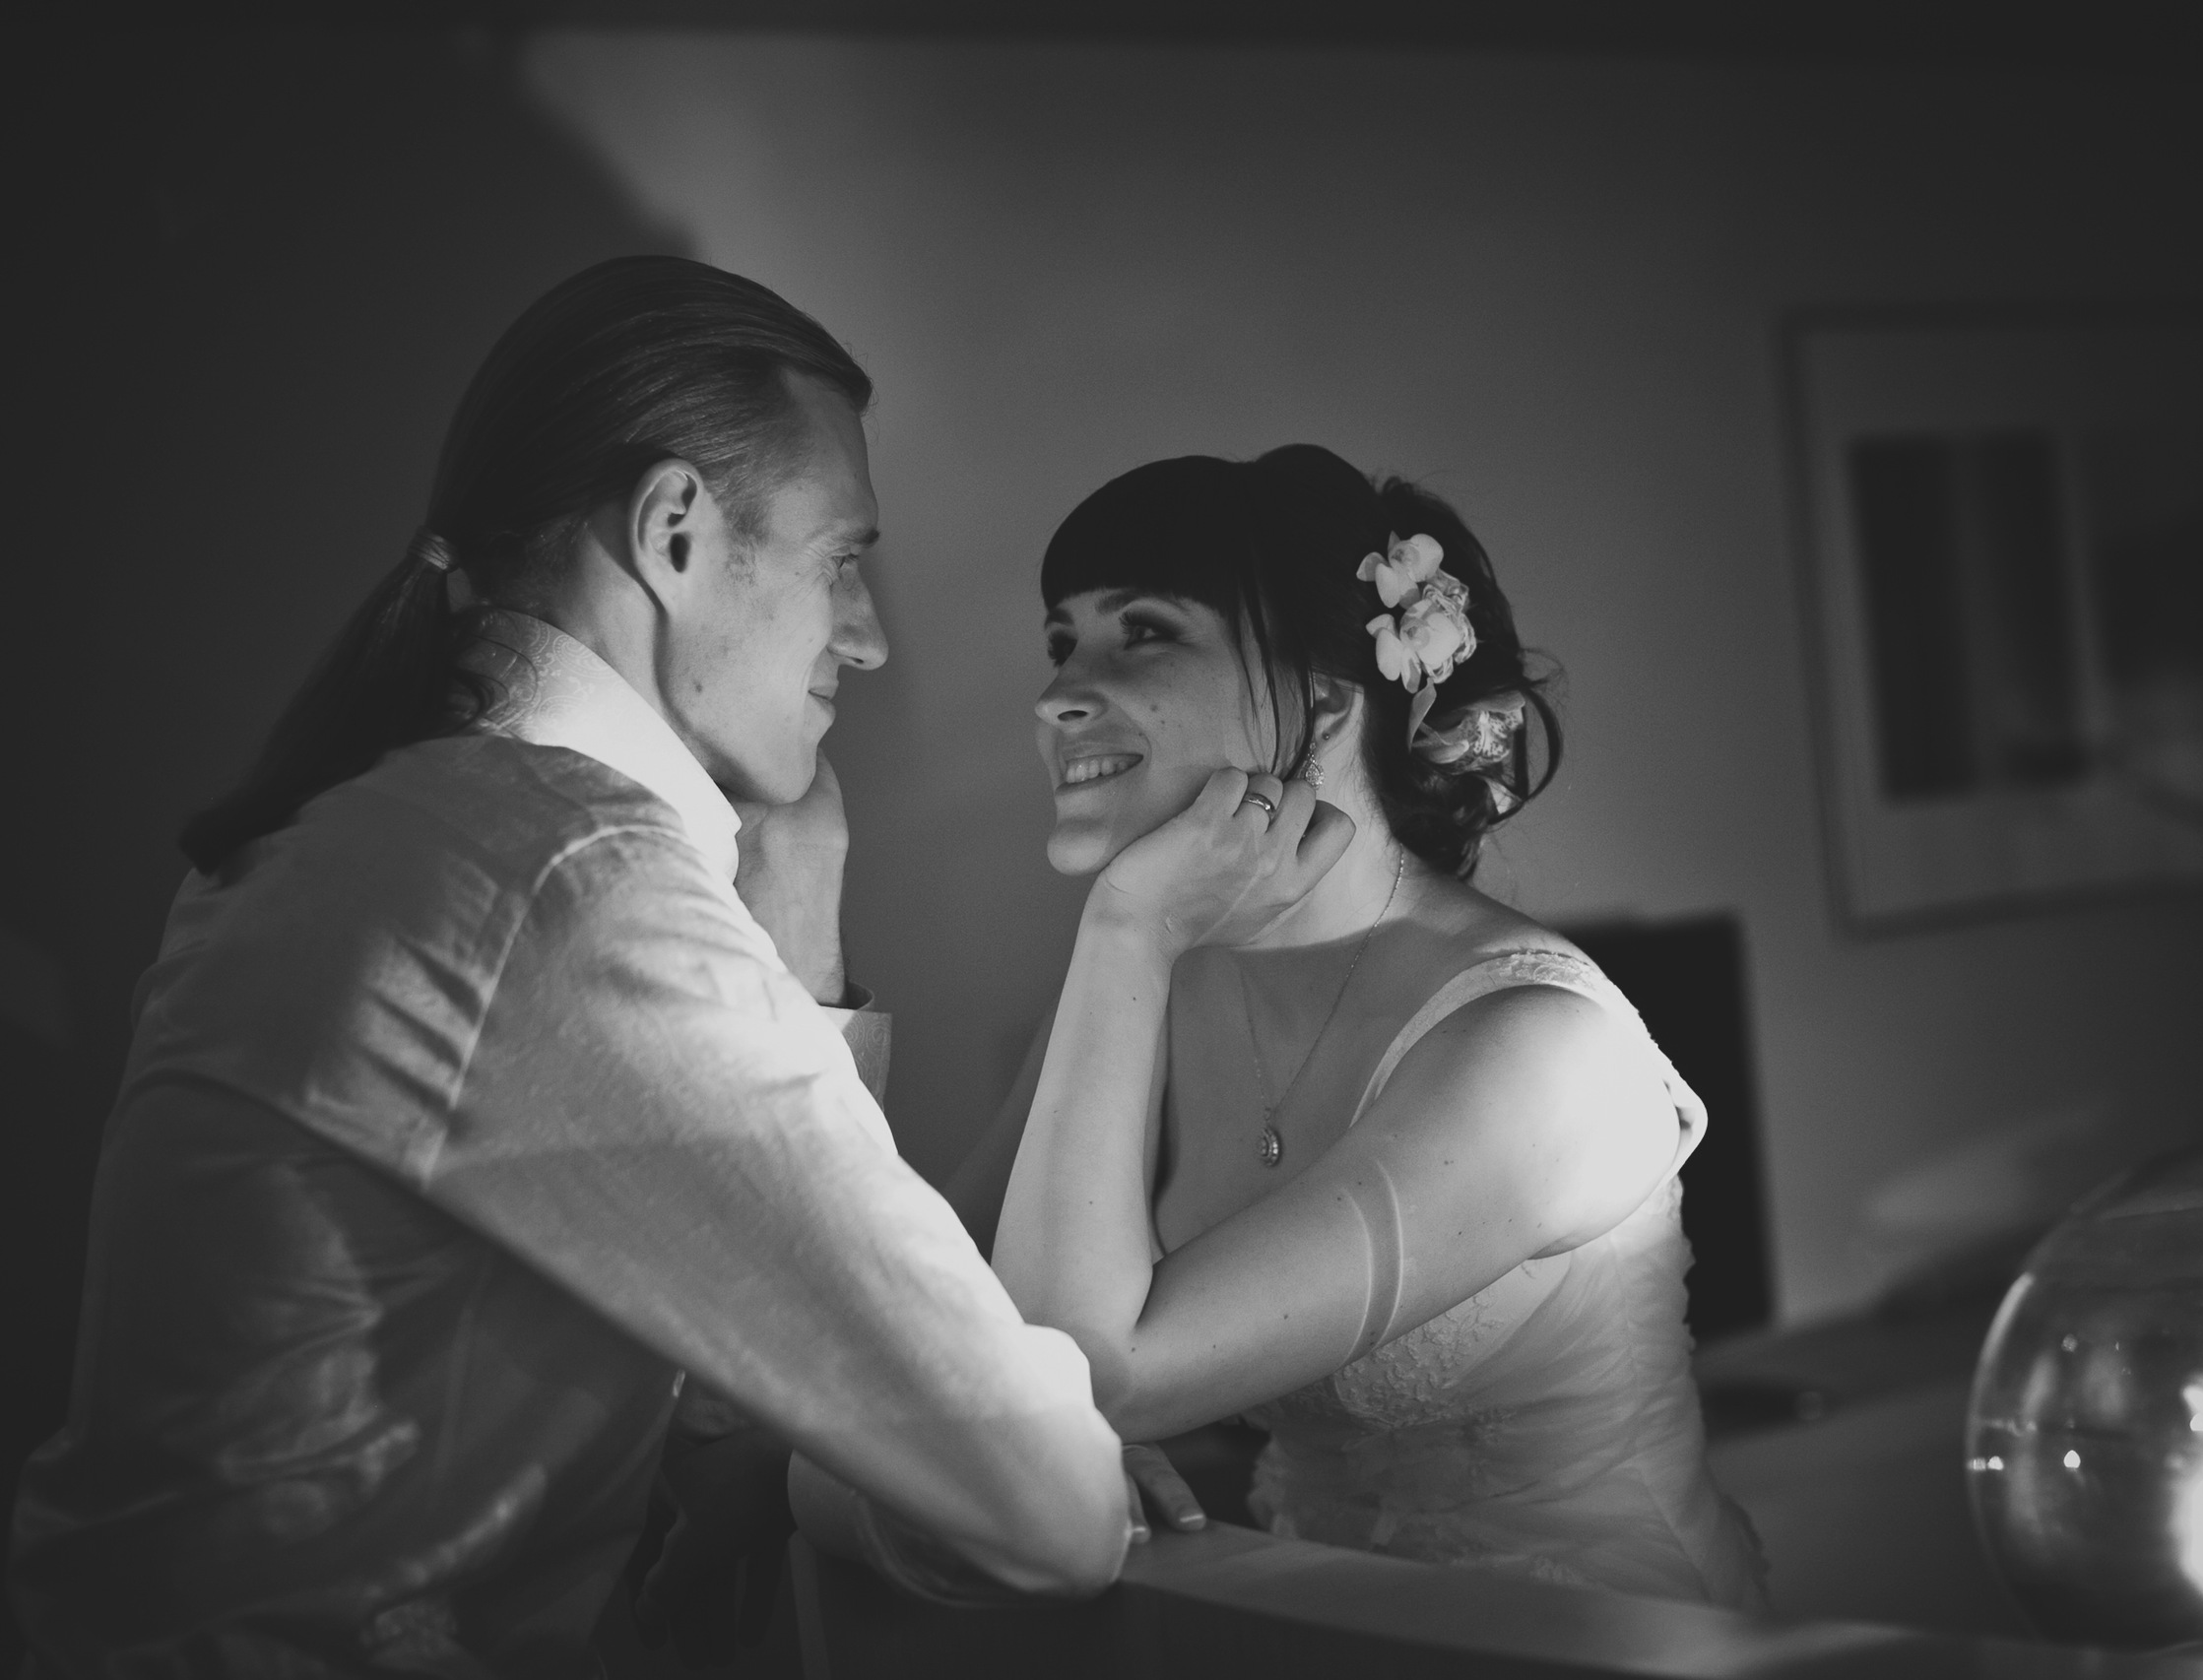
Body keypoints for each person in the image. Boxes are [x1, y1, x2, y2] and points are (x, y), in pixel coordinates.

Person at [9, 258, 1339, 1677]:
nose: (869, 637)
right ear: (675, 532)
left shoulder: (375, 820)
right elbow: (1045, 1502)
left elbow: (733, 1387)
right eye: (842, 559)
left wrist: (799, 940)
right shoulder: (569, 886)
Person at [965, 446, 1768, 1605]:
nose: (1056, 696)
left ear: (1330, 698)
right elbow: (927, 1300)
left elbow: (1083, 1378)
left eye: (1141, 631)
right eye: (1059, 642)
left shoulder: (1536, 1049)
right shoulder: (1155, 988)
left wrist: (1124, 924)